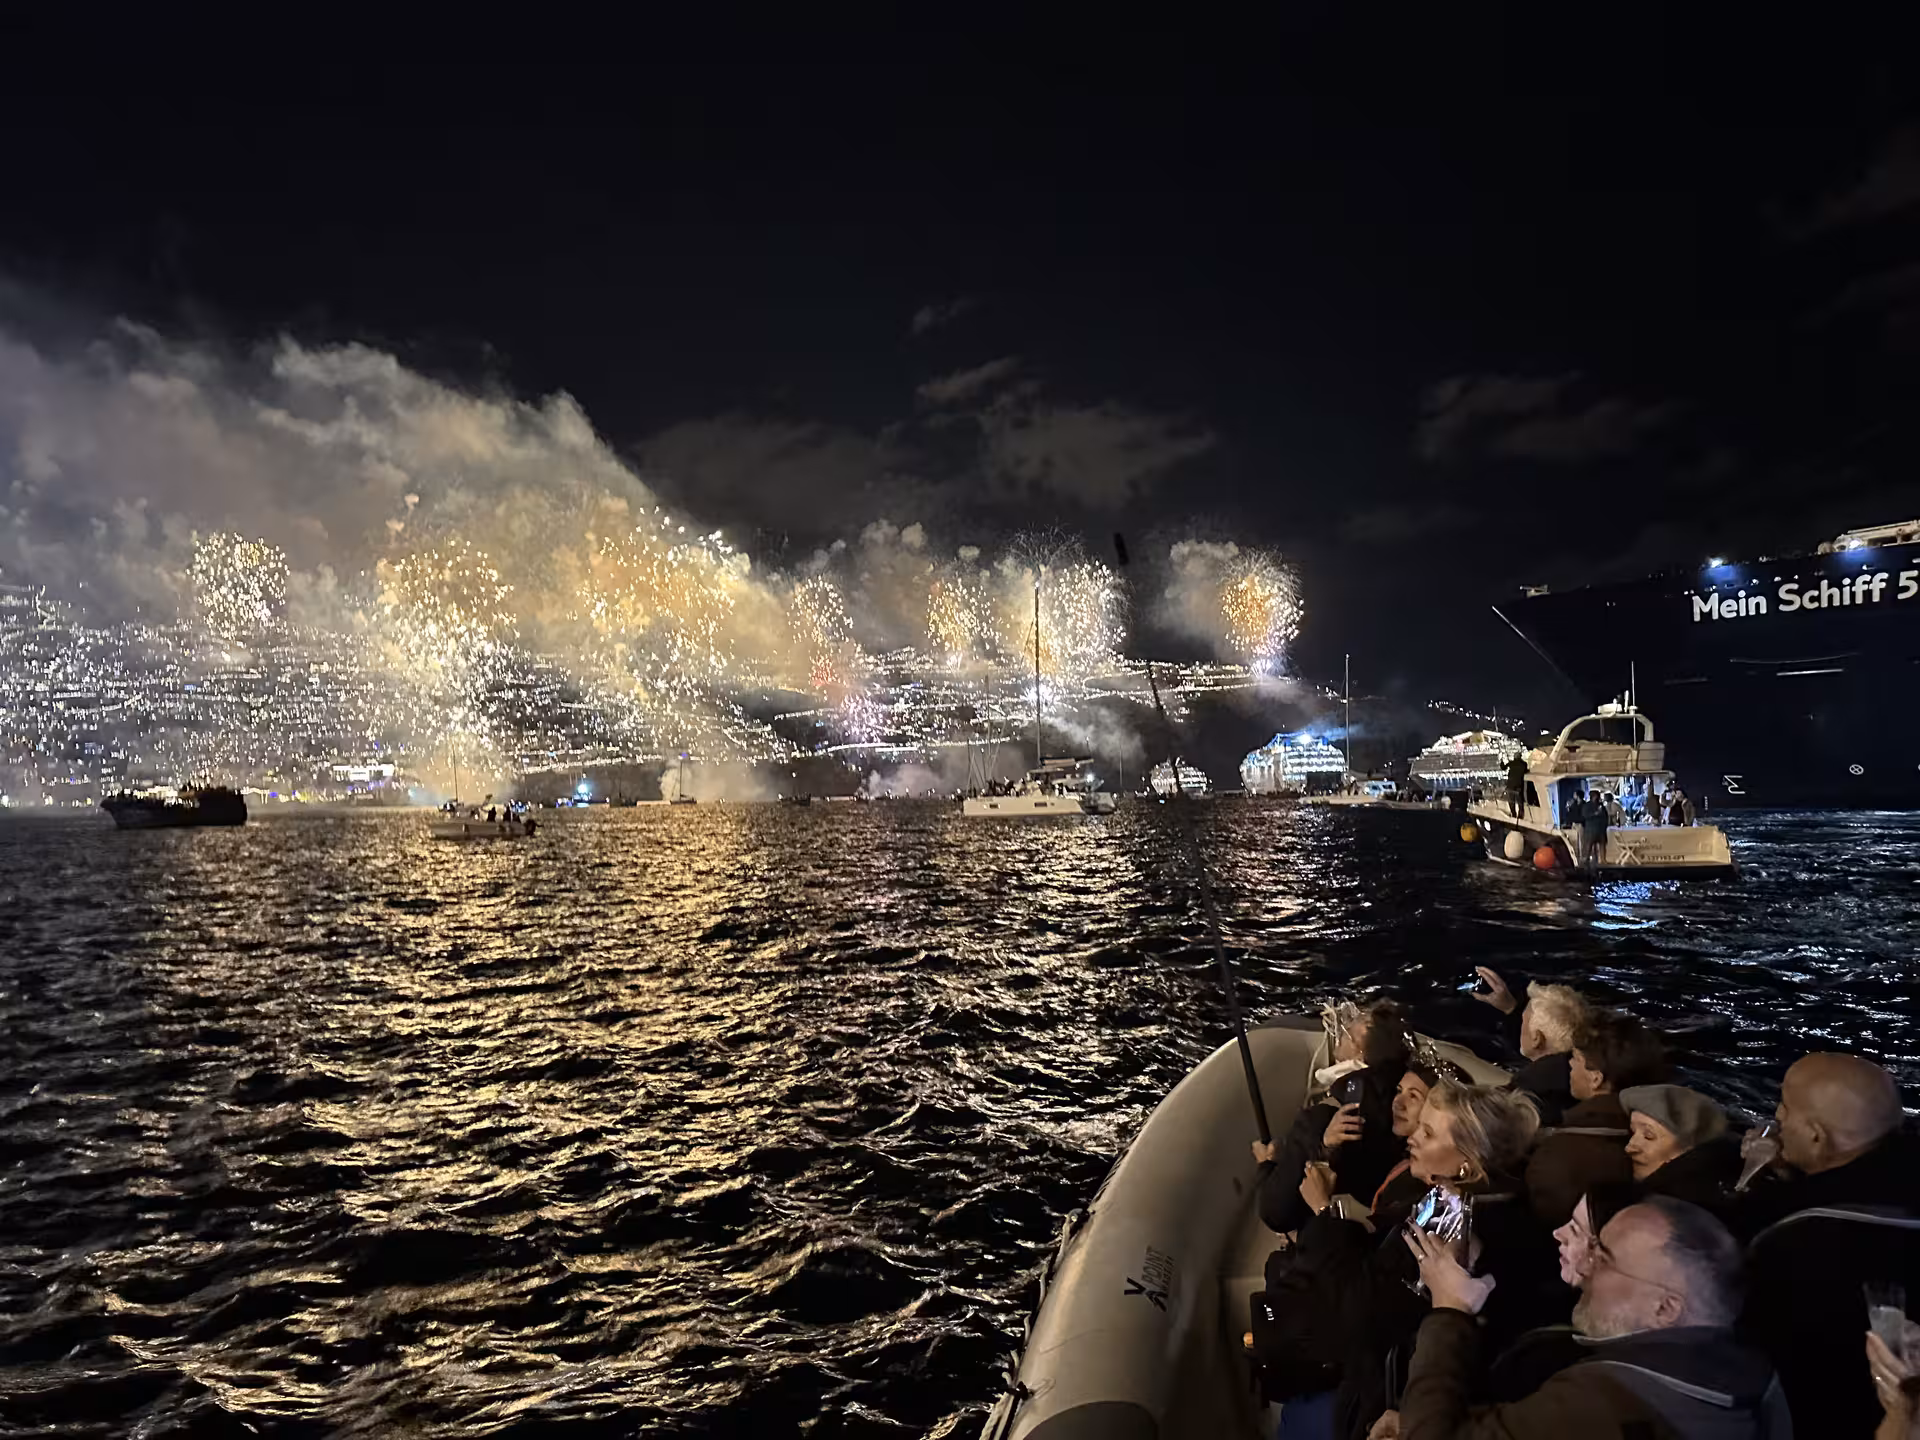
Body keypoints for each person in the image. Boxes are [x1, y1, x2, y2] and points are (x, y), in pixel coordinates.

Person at [1378, 1196, 1790, 1439]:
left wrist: (1449, 1309)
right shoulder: (1744, 1376)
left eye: (1603, 1258)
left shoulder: (1614, 1400)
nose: (1588, 1268)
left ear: (1665, 1309)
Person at [1733, 1053, 1920, 1438]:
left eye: (1783, 1110)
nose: (1776, 1121)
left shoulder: (1790, 1239)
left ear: (1817, 1135)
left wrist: (1754, 1183)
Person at [1253, 1001, 1412, 1241]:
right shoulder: (1402, 1099)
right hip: (1378, 1206)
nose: (1343, 1033)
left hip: (1343, 1231)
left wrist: (1267, 1165)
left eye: (1350, 1035)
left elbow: (1275, 1213)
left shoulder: (1324, 1118)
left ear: (1361, 1052)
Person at [1525, 1010, 1668, 1227]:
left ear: (1596, 1078)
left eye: (1575, 1058)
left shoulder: (1556, 1156)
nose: (1570, 1064)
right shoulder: (1664, 1137)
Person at [1470, 969, 1587, 1124]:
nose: (1521, 1026)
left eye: (1523, 1021)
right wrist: (1510, 1008)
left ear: (1536, 1039)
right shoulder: (1581, 1079)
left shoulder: (1528, 1093)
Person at [1621, 1084, 1741, 1213]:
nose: (1629, 1147)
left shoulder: (1670, 1211)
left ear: (1687, 1149)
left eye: (1649, 1136)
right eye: (1632, 1132)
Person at [1579, 789, 1610, 871]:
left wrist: (1605, 824)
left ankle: (1603, 860)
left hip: (1600, 829)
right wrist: (1595, 814)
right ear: (1594, 796)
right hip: (1591, 828)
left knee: (1602, 844)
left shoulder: (1601, 805)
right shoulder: (1587, 806)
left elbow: (1605, 815)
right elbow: (1585, 815)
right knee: (1589, 845)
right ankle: (1586, 859)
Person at [1507, 752, 1528, 818]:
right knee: (1520, 800)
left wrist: (1502, 762)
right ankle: (1521, 815)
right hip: (1519, 784)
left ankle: (1513, 813)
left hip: (1511, 784)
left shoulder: (1511, 763)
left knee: (1511, 800)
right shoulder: (1524, 764)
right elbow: (1525, 771)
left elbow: (1503, 767)